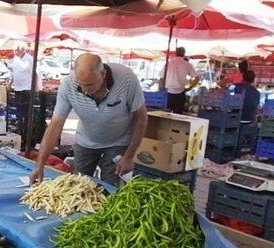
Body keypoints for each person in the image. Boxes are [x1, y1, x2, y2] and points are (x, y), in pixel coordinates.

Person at [29, 54, 148, 186]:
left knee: (111, 187)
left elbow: (141, 116)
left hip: (118, 142)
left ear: (103, 74)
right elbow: (55, 125)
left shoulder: (126, 79)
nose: (85, 90)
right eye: (81, 85)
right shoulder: (68, 85)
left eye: (89, 84)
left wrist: (129, 156)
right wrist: (40, 165)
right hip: (86, 141)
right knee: (78, 185)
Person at [159, 47, 199, 114]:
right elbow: (197, 78)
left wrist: (162, 89)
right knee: (178, 116)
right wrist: (190, 87)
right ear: (184, 54)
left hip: (168, 93)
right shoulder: (187, 64)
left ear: (176, 53)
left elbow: (161, 79)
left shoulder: (168, 63)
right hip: (180, 94)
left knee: (165, 115)